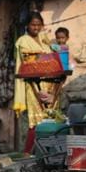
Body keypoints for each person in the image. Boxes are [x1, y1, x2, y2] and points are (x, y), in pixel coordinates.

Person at [13, 13, 58, 153]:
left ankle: (47, 153)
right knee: (36, 121)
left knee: (52, 119)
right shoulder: (23, 40)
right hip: (33, 86)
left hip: (50, 86)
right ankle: (28, 153)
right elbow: (28, 61)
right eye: (33, 24)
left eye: (39, 25)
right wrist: (46, 59)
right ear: (27, 25)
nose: (36, 27)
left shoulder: (44, 41)